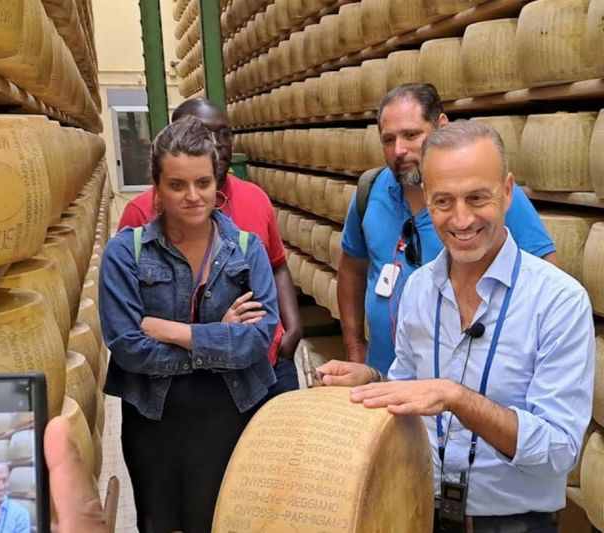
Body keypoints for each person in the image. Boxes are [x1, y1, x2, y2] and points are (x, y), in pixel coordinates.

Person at [320, 121, 594, 533]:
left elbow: (560, 450)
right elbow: (411, 392)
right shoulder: (417, 290)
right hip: (417, 509)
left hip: (513, 523)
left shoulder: (558, 300)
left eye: (477, 197)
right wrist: (374, 380)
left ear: (507, 192)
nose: (461, 219)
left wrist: (456, 398)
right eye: (444, 201)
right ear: (426, 199)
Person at [100, 115, 279, 532]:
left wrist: (175, 332)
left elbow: (257, 340)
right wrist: (221, 337)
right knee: (159, 522)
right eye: (177, 185)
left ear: (218, 184)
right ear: (157, 189)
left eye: (202, 183)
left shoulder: (246, 249)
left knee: (222, 520)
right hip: (154, 416)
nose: (192, 196)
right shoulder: (125, 254)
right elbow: (129, 347)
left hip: (229, 410)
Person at [339, 83, 558, 374]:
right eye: (388, 139)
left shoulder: (489, 197)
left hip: (467, 386)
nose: (399, 150)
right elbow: (352, 269)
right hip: (387, 378)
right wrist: (355, 350)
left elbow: (545, 275)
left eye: (411, 135)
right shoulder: (370, 191)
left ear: (441, 125)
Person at [118, 97, 302, 398]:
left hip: (267, 364)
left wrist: (292, 331)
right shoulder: (140, 215)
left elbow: (277, 264)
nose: (217, 144)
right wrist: (220, 336)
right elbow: (129, 332)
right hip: (188, 382)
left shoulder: (255, 197)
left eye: (224, 134)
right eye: (204, 134)